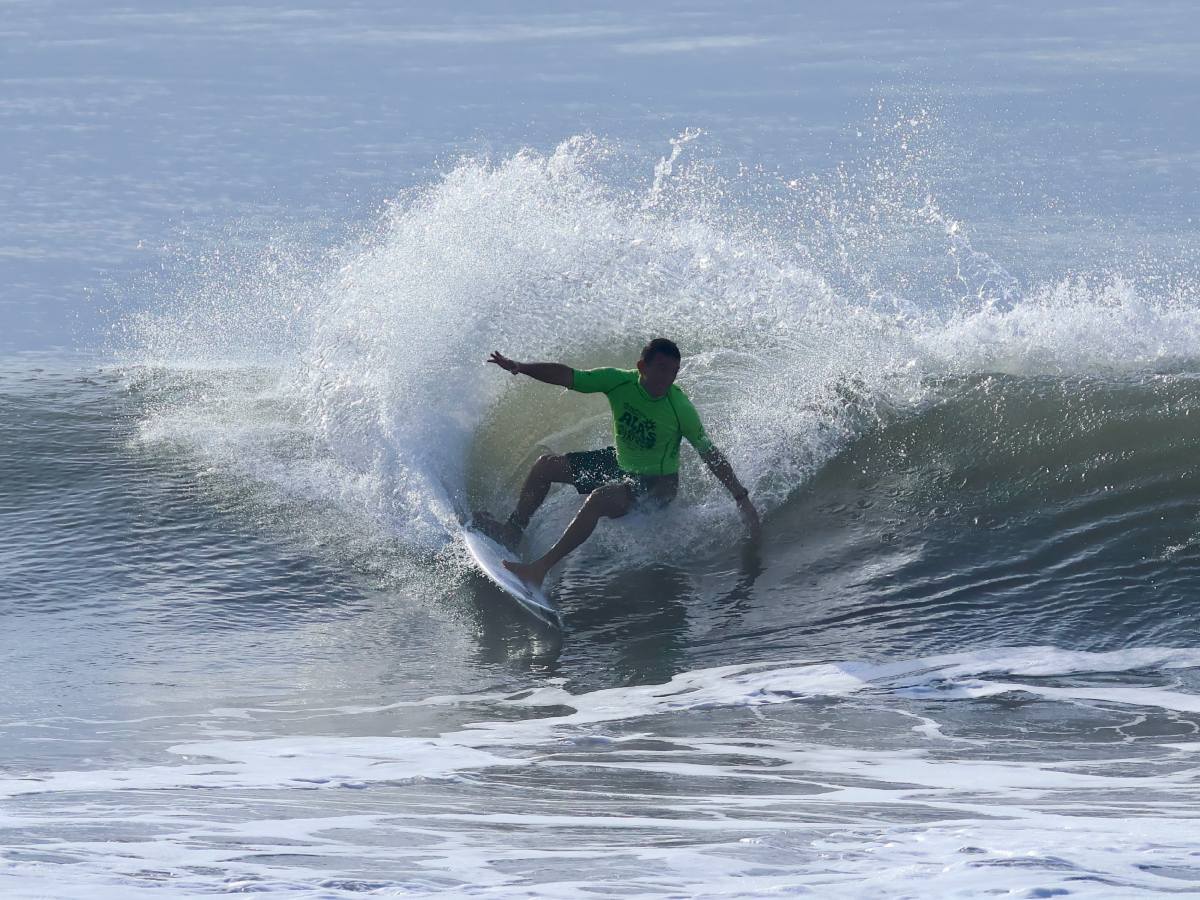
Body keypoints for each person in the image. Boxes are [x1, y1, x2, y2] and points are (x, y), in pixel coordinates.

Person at [474, 337, 761, 590]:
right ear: (642, 366)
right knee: (544, 466)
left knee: (598, 500)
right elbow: (568, 376)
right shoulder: (618, 381)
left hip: (657, 483)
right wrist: (520, 366)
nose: (667, 378)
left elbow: (709, 453)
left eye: (673, 372)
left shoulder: (679, 407)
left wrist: (741, 496)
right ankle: (512, 530)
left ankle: (539, 569)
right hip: (620, 463)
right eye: (661, 369)